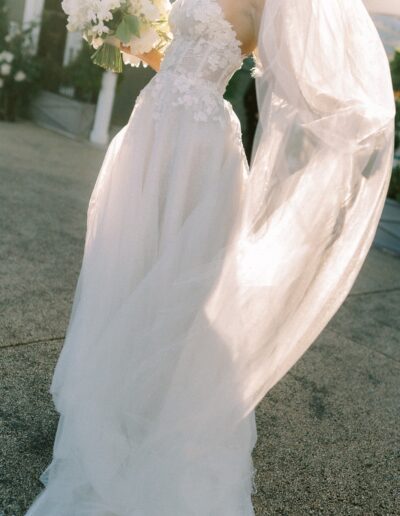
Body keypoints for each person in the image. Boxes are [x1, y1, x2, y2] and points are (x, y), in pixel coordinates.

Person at [25, 0, 395, 514]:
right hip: (151, 126)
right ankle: (114, 397)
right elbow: (173, 60)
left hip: (200, 146)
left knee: (184, 280)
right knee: (129, 258)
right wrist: (117, 33)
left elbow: (297, 88)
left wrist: (343, 125)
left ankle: (161, 412)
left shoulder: (272, 9)